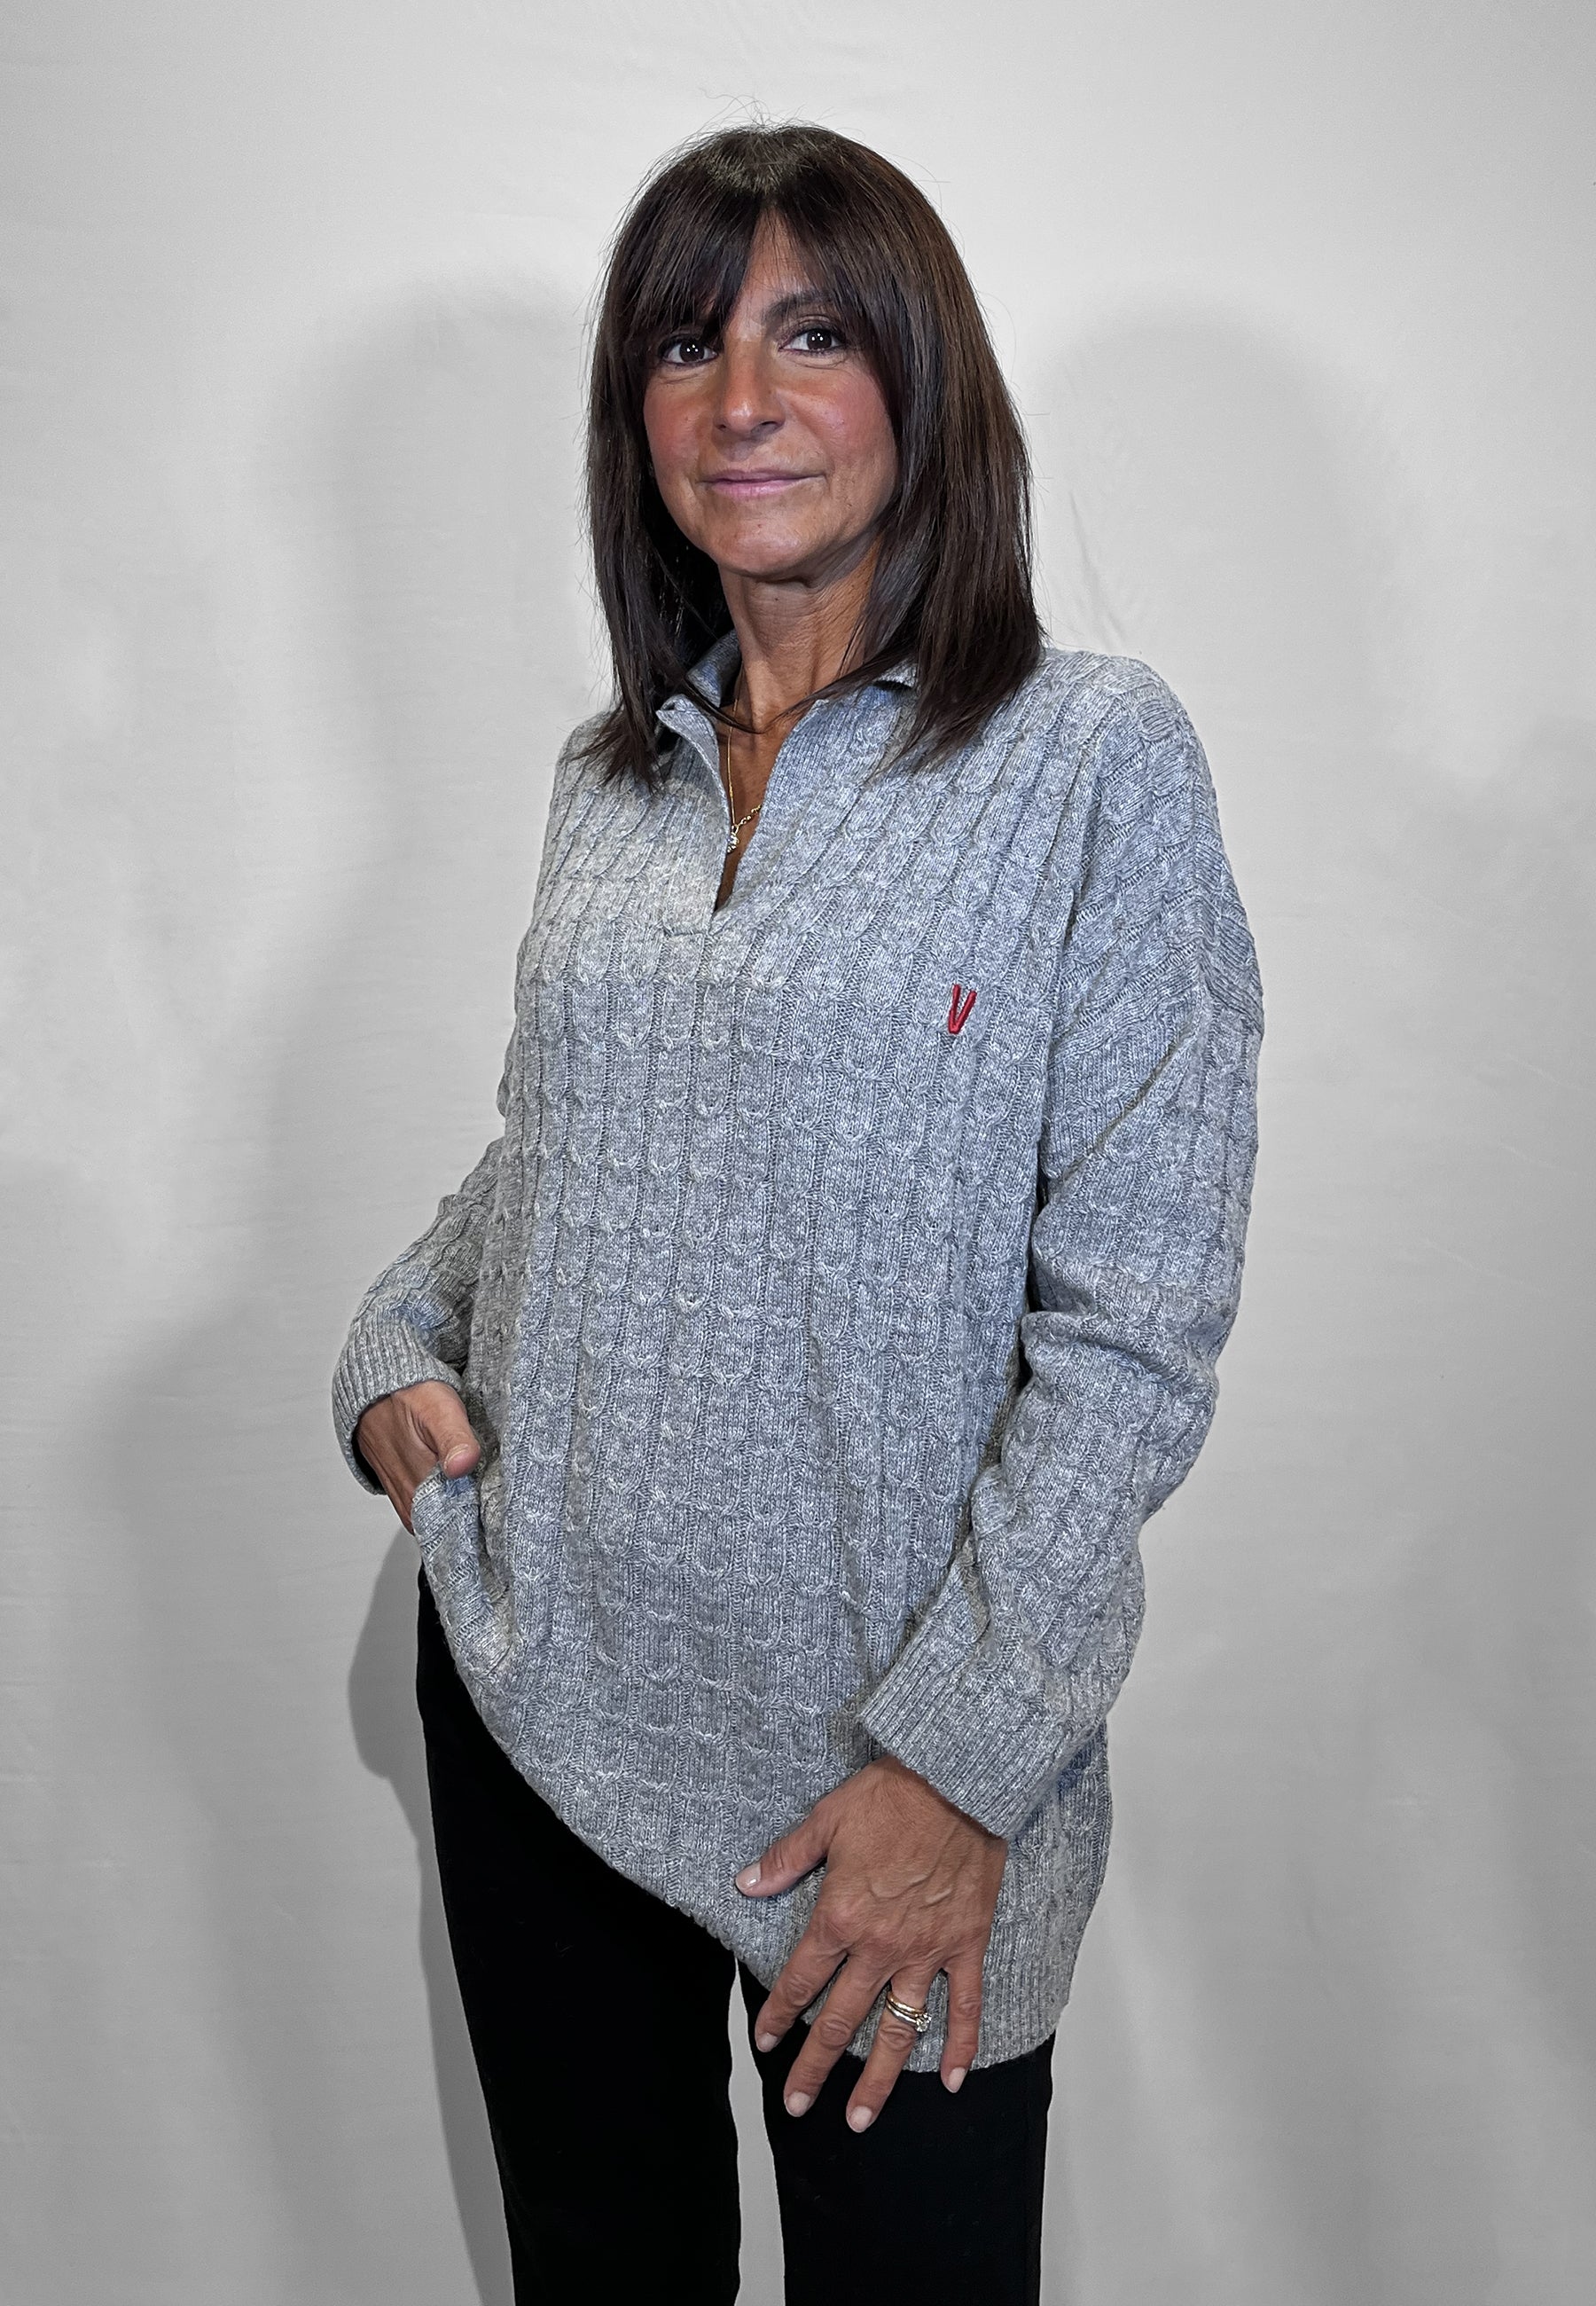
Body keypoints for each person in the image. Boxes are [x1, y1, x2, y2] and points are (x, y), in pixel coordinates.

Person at [333, 121, 1263, 2305]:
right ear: (634, 415)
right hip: (540, 1692)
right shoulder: (609, 778)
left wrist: (961, 1766)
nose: (741, 400)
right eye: (686, 347)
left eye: (812, 337)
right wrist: (392, 1337)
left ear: (922, 381)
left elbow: (1136, 1323)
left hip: (885, 1780)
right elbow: (552, 1156)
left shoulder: (1089, 758)